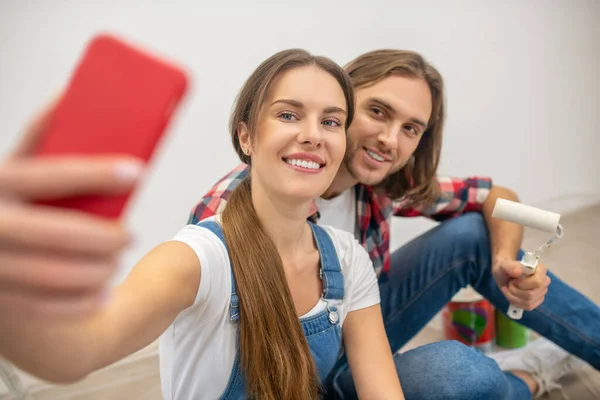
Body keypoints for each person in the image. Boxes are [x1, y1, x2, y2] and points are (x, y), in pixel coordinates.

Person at [188, 49, 600, 399]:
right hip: (289, 375)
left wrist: (504, 261)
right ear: (340, 103)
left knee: (471, 234)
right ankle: (526, 378)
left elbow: (497, 197)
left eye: (410, 128)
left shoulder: (383, 182)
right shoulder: (230, 213)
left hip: (358, 336)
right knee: (464, 373)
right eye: (377, 112)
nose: (389, 139)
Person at [0, 49, 405, 399]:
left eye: (331, 122)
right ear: (246, 138)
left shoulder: (348, 259)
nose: (314, 135)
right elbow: (75, 352)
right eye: (288, 114)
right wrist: (16, 302)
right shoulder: (197, 259)